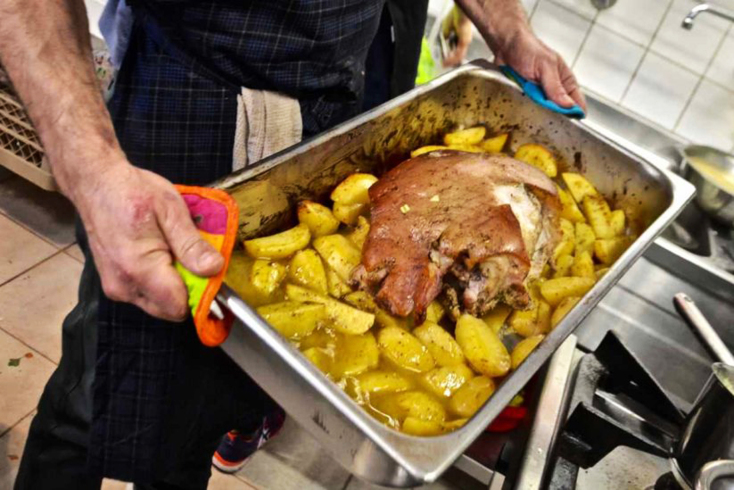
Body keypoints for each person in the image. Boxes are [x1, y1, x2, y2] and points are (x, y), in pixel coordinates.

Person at [0, 0, 585, 488]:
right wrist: (91, 170)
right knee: (103, 390)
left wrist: (510, 31)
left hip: (354, 83)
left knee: (209, 408)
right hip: (201, 96)